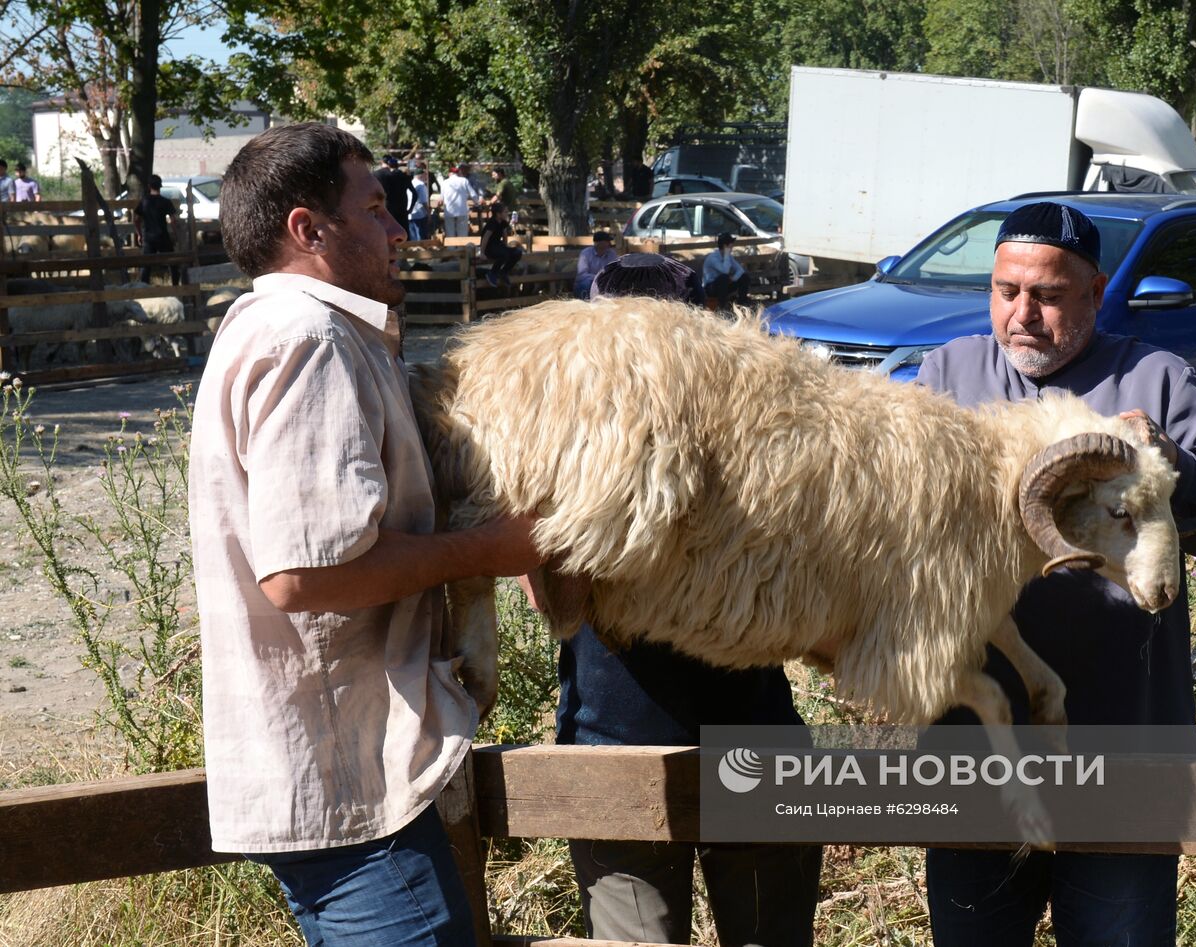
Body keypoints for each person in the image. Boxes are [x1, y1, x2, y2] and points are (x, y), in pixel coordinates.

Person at [188, 122, 544, 947]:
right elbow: (303, 573)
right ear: (308, 229)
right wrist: (490, 550)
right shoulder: (311, 340)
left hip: (332, 779)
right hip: (351, 789)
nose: (399, 231)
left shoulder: (279, 329)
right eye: (377, 208)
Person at [916, 202, 1196, 947]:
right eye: (1006, 292)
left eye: (1049, 295)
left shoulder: (1157, 381)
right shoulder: (947, 377)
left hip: (1125, 743)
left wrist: (1167, 458)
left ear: (1096, 292)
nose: (1022, 315)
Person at [551, 252, 822, 947]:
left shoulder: (770, 434)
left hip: (731, 750)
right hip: (626, 757)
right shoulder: (557, 441)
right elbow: (560, 604)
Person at [133, 174, 180, 284]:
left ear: (149, 186)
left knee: (146, 266)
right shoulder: (166, 202)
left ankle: (144, 288)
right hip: (163, 236)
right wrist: (175, 234)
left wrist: (139, 234)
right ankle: (176, 286)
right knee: (172, 263)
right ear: (160, 186)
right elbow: (173, 220)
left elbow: (136, 219)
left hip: (149, 237)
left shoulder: (144, 202)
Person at [480, 202, 521, 288]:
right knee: (504, 254)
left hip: (498, 246)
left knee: (517, 252)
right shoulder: (492, 223)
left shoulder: (503, 222)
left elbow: (504, 235)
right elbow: (485, 237)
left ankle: (504, 272)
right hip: (489, 248)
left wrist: (506, 247)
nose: (507, 213)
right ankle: (492, 273)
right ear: (498, 214)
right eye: (505, 212)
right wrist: (482, 253)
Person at [702, 232, 749, 306]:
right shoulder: (713, 258)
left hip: (724, 285)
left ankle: (741, 304)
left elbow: (740, 270)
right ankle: (722, 306)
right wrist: (726, 255)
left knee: (744, 277)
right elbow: (725, 271)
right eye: (731, 244)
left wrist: (733, 279)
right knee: (724, 278)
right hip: (710, 287)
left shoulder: (729, 256)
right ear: (725, 246)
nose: (732, 247)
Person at [373, 154, 415, 235]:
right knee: (403, 234)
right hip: (402, 210)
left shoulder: (376, 175)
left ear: (382, 162)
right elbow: (414, 194)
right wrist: (410, 209)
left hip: (386, 209)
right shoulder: (402, 176)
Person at [573, 231, 618, 298]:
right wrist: (597, 277)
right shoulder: (586, 254)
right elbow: (582, 275)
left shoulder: (612, 254)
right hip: (588, 282)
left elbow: (615, 269)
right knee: (586, 284)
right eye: (607, 241)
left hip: (604, 281)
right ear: (598, 243)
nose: (609, 243)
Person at [441, 165, 480, 238]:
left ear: (449, 173)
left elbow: (441, 198)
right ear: (458, 173)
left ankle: (451, 245)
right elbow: (473, 194)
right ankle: (462, 244)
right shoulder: (464, 180)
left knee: (450, 233)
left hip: (449, 211)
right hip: (461, 210)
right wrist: (477, 203)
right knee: (462, 233)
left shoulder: (444, 182)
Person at [409, 167, 432, 240]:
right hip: (420, 214)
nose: (426, 177)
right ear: (421, 175)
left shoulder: (410, 183)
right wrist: (428, 213)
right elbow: (423, 201)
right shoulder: (421, 185)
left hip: (410, 214)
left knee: (413, 237)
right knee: (421, 237)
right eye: (425, 175)